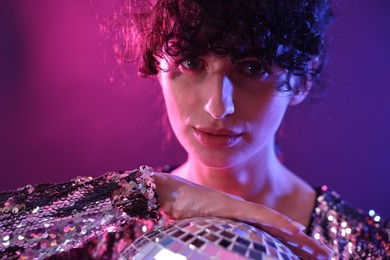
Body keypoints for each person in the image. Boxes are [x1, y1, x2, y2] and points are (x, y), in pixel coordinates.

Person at [0, 0, 388, 259]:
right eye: (189, 61)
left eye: (252, 67)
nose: (218, 106)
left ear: (303, 78)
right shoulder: (105, 230)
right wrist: (147, 194)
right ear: (157, 62)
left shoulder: (358, 246)